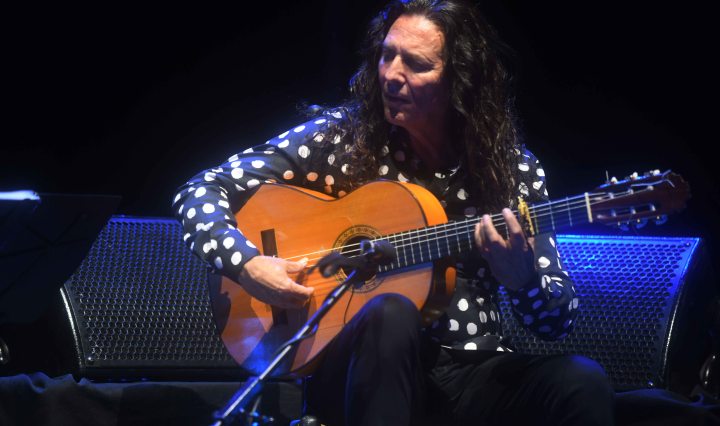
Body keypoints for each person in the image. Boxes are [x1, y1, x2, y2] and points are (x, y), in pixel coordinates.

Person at [172, 0, 615, 424]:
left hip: (471, 369)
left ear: (460, 81)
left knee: (581, 381)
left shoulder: (511, 170)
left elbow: (556, 322)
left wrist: (523, 281)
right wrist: (247, 265)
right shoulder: (342, 140)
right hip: (357, 371)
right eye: (387, 55)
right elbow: (200, 189)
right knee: (391, 312)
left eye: (416, 64)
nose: (391, 75)